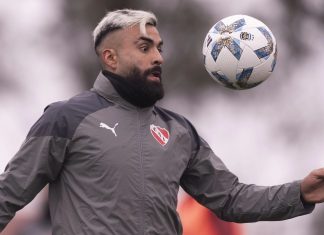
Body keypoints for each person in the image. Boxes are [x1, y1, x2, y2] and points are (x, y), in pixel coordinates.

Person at [0, 8, 324, 235]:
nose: (158, 57)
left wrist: (300, 193)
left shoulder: (179, 131)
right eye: (144, 47)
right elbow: (8, 195)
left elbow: (231, 198)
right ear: (110, 58)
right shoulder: (65, 118)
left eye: (159, 47)